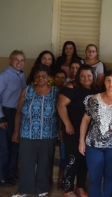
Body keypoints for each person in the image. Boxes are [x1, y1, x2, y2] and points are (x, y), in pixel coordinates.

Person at [79, 70, 112, 197]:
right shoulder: (94, 99)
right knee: (94, 178)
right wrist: (81, 141)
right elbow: (85, 120)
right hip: (93, 145)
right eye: (108, 80)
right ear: (104, 82)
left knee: (110, 177)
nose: (111, 83)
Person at [12, 64, 59, 197]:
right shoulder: (27, 90)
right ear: (34, 78)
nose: (41, 78)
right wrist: (16, 131)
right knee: (26, 161)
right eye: (38, 76)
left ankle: (42, 189)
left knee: (45, 162)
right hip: (27, 132)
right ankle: (23, 189)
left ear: (48, 77)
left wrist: (61, 130)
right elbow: (19, 112)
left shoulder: (55, 91)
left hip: (49, 133)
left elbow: (60, 112)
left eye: (43, 76)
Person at [58, 65, 100, 197]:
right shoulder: (72, 87)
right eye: (83, 76)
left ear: (93, 77)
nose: (86, 78)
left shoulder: (97, 90)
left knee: (84, 161)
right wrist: (67, 124)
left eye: (89, 76)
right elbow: (61, 105)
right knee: (73, 160)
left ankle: (80, 187)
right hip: (73, 131)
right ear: (78, 76)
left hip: (91, 133)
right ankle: (68, 189)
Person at [0, 50, 27, 187]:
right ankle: (1, 177)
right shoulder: (4, 76)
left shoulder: (22, 75)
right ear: (10, 60)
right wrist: (1, 117)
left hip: (18, 113)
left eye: (22, 60)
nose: (19, 62)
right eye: (16, 59)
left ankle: (10, 174)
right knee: (3, 148)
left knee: (14, 146)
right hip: (5, 114)